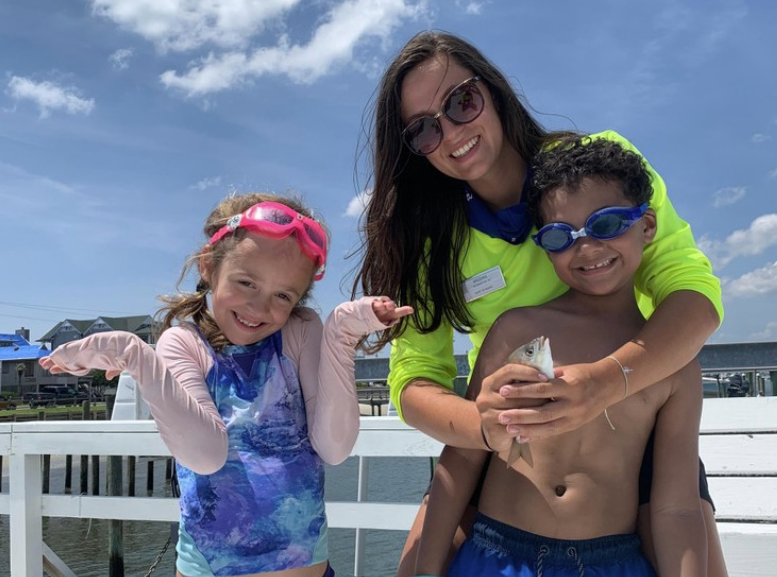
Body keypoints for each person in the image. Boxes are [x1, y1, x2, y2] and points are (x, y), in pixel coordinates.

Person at [350, 31, 727, 576]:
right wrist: (481, 425)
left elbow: (691, 291)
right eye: (424, 130)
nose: (452, 131)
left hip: (632, 406)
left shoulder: (601, 169)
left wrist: (604, 382)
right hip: (508, 437)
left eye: (461, 101)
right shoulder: (430, 242)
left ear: (494, 92)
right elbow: (412, 380)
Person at [40, 192, 413, 577]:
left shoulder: (301, 331)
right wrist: (138, 358)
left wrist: (340, 336)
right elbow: (204, 454)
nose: (259, 307)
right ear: (208, 266)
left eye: (283, 294)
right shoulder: (183, 343)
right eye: (246, 282)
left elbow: (334, 448)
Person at [416, 136, 706, 577]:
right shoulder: (517, 330)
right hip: (493, 555)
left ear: (647, 225)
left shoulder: (672, 361)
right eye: (560, 236)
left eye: (607, 224)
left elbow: (676, 508)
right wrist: (425, 570)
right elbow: (462, 459)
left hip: (613, 562)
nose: (587, 248)